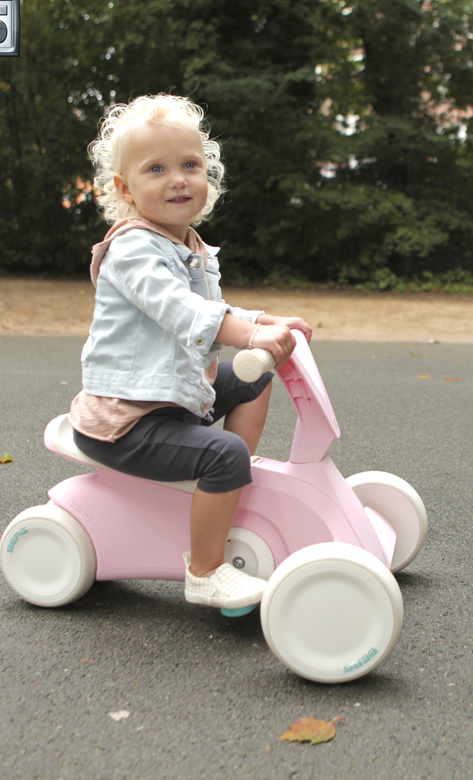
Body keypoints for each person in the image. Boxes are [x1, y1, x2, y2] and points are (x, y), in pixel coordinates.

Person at [67, 94, 311, 609]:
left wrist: (262, 322)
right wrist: (248, 336)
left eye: (190, 165)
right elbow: (181, 311)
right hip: (126, 419)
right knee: (225, 453)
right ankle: (205, 572)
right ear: (124, 189)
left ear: (208, 175)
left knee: (253, 379)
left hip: (174, 399)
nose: (178, 179)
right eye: (156, 169)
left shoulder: (187, 245)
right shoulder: (133, 249)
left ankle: (228, 481)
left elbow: (213, 309)